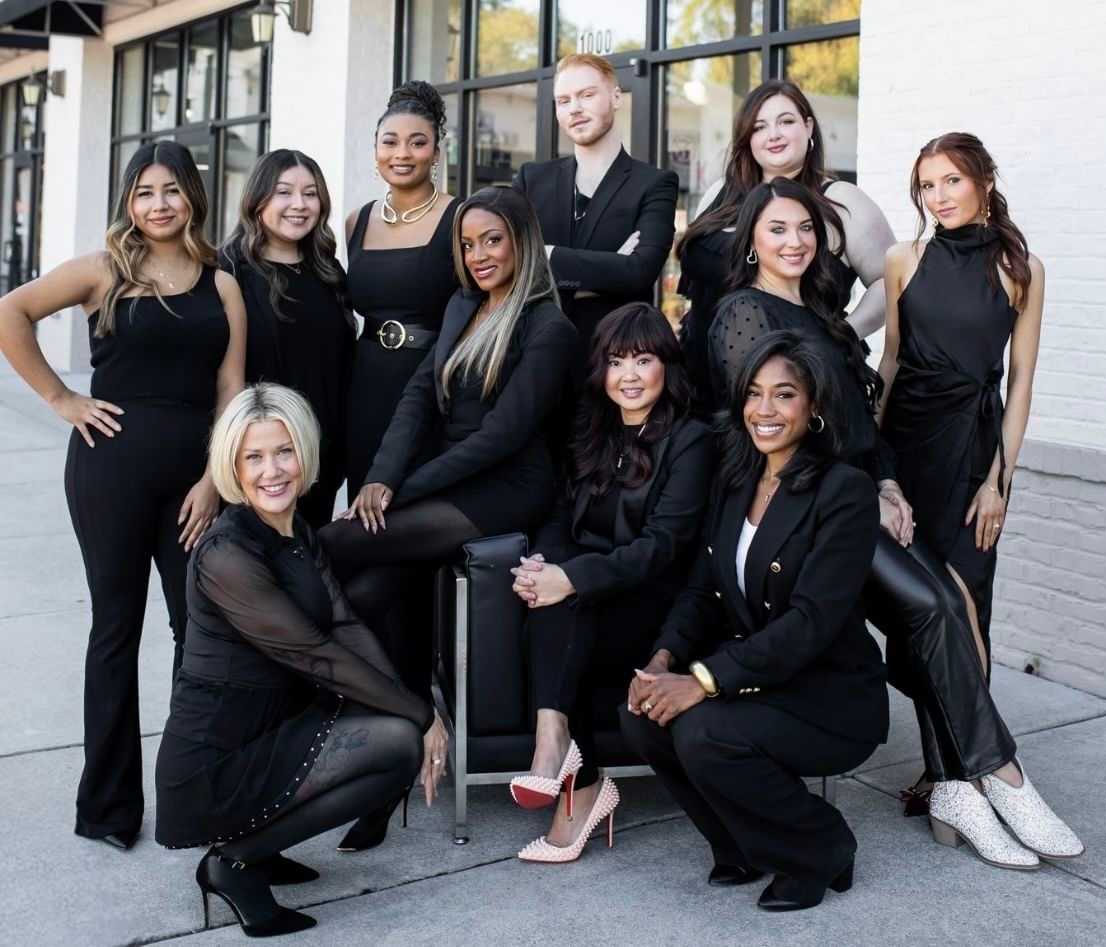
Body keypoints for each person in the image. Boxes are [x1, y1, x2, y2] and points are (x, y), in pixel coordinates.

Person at [711, 176, 1079, 871]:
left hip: (852, 496)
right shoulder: (742, 313)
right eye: (778, 229)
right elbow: (769, 429)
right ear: (752, 239)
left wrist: (883, 479)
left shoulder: (822, 310)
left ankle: (959, 785)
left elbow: (856, 416)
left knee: (942, 606)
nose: (795, 241)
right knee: (935, 605)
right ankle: (997, 774)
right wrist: (861, 487)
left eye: (805, 229)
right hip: (801, 511)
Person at [0, 142, 246, 851]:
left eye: (171, 190)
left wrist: (213, 479)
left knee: (195, 632)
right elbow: (11, 313)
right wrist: (61, 397)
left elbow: (230, 391)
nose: (158, 204)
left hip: (193, 486)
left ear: (192, 197)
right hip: (106, 473)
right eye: (144, 192)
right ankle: (108, 807)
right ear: (128, 202)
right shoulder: (104, 270)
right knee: (115, 630)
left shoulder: (219, 283)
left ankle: (188, 791)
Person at [318, 185, 579, 848]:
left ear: (520, 240)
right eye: (468, 243)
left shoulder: (548, 326)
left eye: (492, 239)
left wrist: (401, 493)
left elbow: (501, 437)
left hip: (504, 488)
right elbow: (415, 402)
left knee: (327, 546)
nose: (479, 254)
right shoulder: (461, 303)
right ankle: (397, 754)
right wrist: (381, 476)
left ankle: (308, 702)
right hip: (444, 484)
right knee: (374, 590)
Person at [155, 383, 447, 938]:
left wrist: (413, 706)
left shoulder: (294, 531)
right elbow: (314, 654)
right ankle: (234, 860)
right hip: (214, 759)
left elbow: (343, 626)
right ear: (232, 466)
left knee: (397, 738)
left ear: (304, 454)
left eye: (284, 451)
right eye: (254, 457)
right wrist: (422, 715)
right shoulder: (227, 552)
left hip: (273, 728)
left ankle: (262, 845)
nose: (273, 471)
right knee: (398, 744)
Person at [621, 331, 887, 912]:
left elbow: (810, 623)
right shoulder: (737, 479)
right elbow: (702, 588)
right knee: (642, 715)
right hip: (764, 678)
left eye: (784, 395)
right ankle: (740, 845)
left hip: (829, 698)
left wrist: (703, 681)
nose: (764, 411)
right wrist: (664, 659)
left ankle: (822, 849)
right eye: (754, 394)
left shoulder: (845, 491)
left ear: (813, 406)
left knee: (703, 731)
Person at [878, 132, 1082, 864]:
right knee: (924, 614)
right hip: (909, 450)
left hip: (973, 459)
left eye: (949, 181)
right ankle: (965, 780)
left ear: (983, 183)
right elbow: (892, 362)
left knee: (966, 609)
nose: (936, 196)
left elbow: (1020, 379)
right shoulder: (904, 259)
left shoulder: (1019, 267)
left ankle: (960, 778)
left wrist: (1000, 476)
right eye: (925, 184)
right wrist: (879, 470)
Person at [508, 302, 714, 863]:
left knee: (566, 603)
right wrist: (542, 567)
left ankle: (559, 759)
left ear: (666, 367)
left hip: (654, 599)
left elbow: (662, 547)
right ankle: (571, 766)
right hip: (590, 595)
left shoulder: (690, 441)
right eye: (616, 361)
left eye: (643, 360)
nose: (628, 375)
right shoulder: (591, 431)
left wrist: (568, 578)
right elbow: (558, 516)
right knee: (556, 600)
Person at [677, 78, 894, 416]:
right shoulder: (719, 193)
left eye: (786, 121)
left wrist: (843, 334)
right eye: (760, 126)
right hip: (699, 383)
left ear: (809, 127)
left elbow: (890, 283)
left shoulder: (842, 201)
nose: (773, 134)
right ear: (748, 138)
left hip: (790, 394)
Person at [221, 149, 354, 528]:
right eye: (284, 192)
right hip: (259, 463)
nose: (299, 204)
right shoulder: (228, 271)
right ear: (257, 198)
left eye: (310, 193)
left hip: (318, 460)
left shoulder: (329, 272)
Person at [345, 80, 462, 501]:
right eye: (390, 142)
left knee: (418, 515)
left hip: (433, 384)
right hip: (366, 385)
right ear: (375, 149)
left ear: (436, 150)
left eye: (417, 142)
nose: (402, 154)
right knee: (364, 513)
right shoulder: (355, 221)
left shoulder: (461, 216)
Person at [513, 53, 679, 349]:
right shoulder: (531, 179)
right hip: (533, 352)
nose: (575, 108)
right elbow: (512, 261)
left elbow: (639, 272)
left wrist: (548, 255)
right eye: (564, 101)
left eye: (587, 95)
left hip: (611, 357)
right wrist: (611, 266)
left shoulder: (654, 184)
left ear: (616, 97)